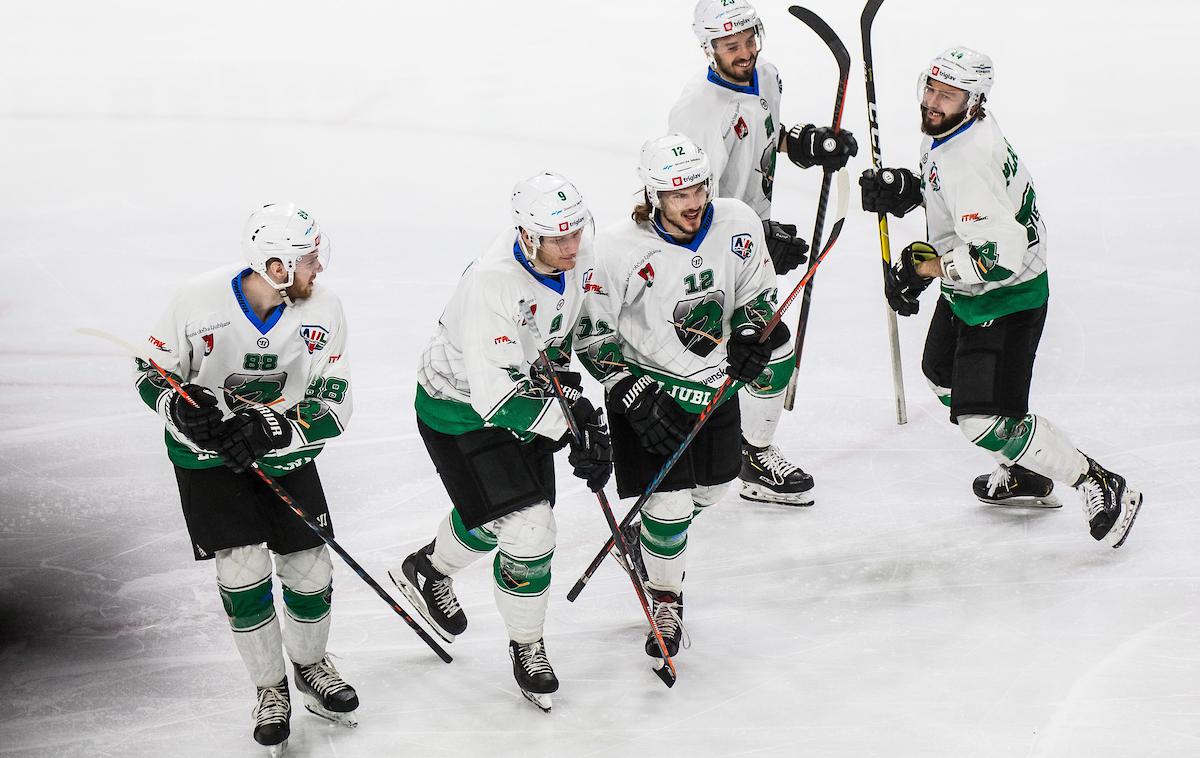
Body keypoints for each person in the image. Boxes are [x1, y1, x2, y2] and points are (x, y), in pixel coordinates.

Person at [860, 47, 1143, 547]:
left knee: (983, 419)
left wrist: (923, 268)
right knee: (942, 375)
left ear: (974, 100)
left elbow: (998, 257)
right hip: (970, 295)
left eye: (947, 95)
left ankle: (1097, 480)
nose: (933, 101)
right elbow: (958, 203)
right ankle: (1026, 470)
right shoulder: (952, 135)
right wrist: (907, 188)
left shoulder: (968, 157)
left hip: (1007, 299)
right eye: (931, 88)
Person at [134, 204, 357, 755]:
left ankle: (309, 667)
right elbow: (151, 372)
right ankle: (270, 688)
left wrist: (273, 429)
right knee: (243, 569)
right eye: (307, 259)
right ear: (275, 266)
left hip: (284, 456)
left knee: (310, 568)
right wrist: (177, 407)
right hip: (209, 462)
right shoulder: (197, 299)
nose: (318, 268)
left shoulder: (323, 310)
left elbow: (334, 402)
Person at [389, 172, 612, 712]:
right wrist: (574, 426)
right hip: (460, 412)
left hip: (530, 393)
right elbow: (494, 400)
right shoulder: (494, 281)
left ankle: (428, 569)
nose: (572, 246)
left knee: (502, 516)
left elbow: (571, 327)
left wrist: (590, 395)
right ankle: (527, 645)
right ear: (526, 234)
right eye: (558, 238)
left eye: (575, 233)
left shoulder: (571, 249)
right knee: (530, 529)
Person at [574, 134, 791, 659]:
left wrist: (748, 335)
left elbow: (757, 293)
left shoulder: (736, 221)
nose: (692, 203)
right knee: (669, 506)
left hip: (712, 387)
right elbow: (590, 334)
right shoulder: (616, 252)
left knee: (715, 487)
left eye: (697, 188)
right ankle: (666, 600)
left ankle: (647, 540)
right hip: (647, 393)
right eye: (677, 195)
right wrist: (626, 388)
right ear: (652, 195)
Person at [668, 0, 858, 506]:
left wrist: (809, 144)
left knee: (770, 349)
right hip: (710, 250)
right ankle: (703, 461)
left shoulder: (767, 75)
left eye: (750, 39)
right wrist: (747, 240)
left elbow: (766, 141)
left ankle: (750, 452)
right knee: (721, 357)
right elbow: (683, 201)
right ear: (708, 48)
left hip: (748, 239)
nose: (746, 52)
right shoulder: (697, 111)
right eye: (732, 46)